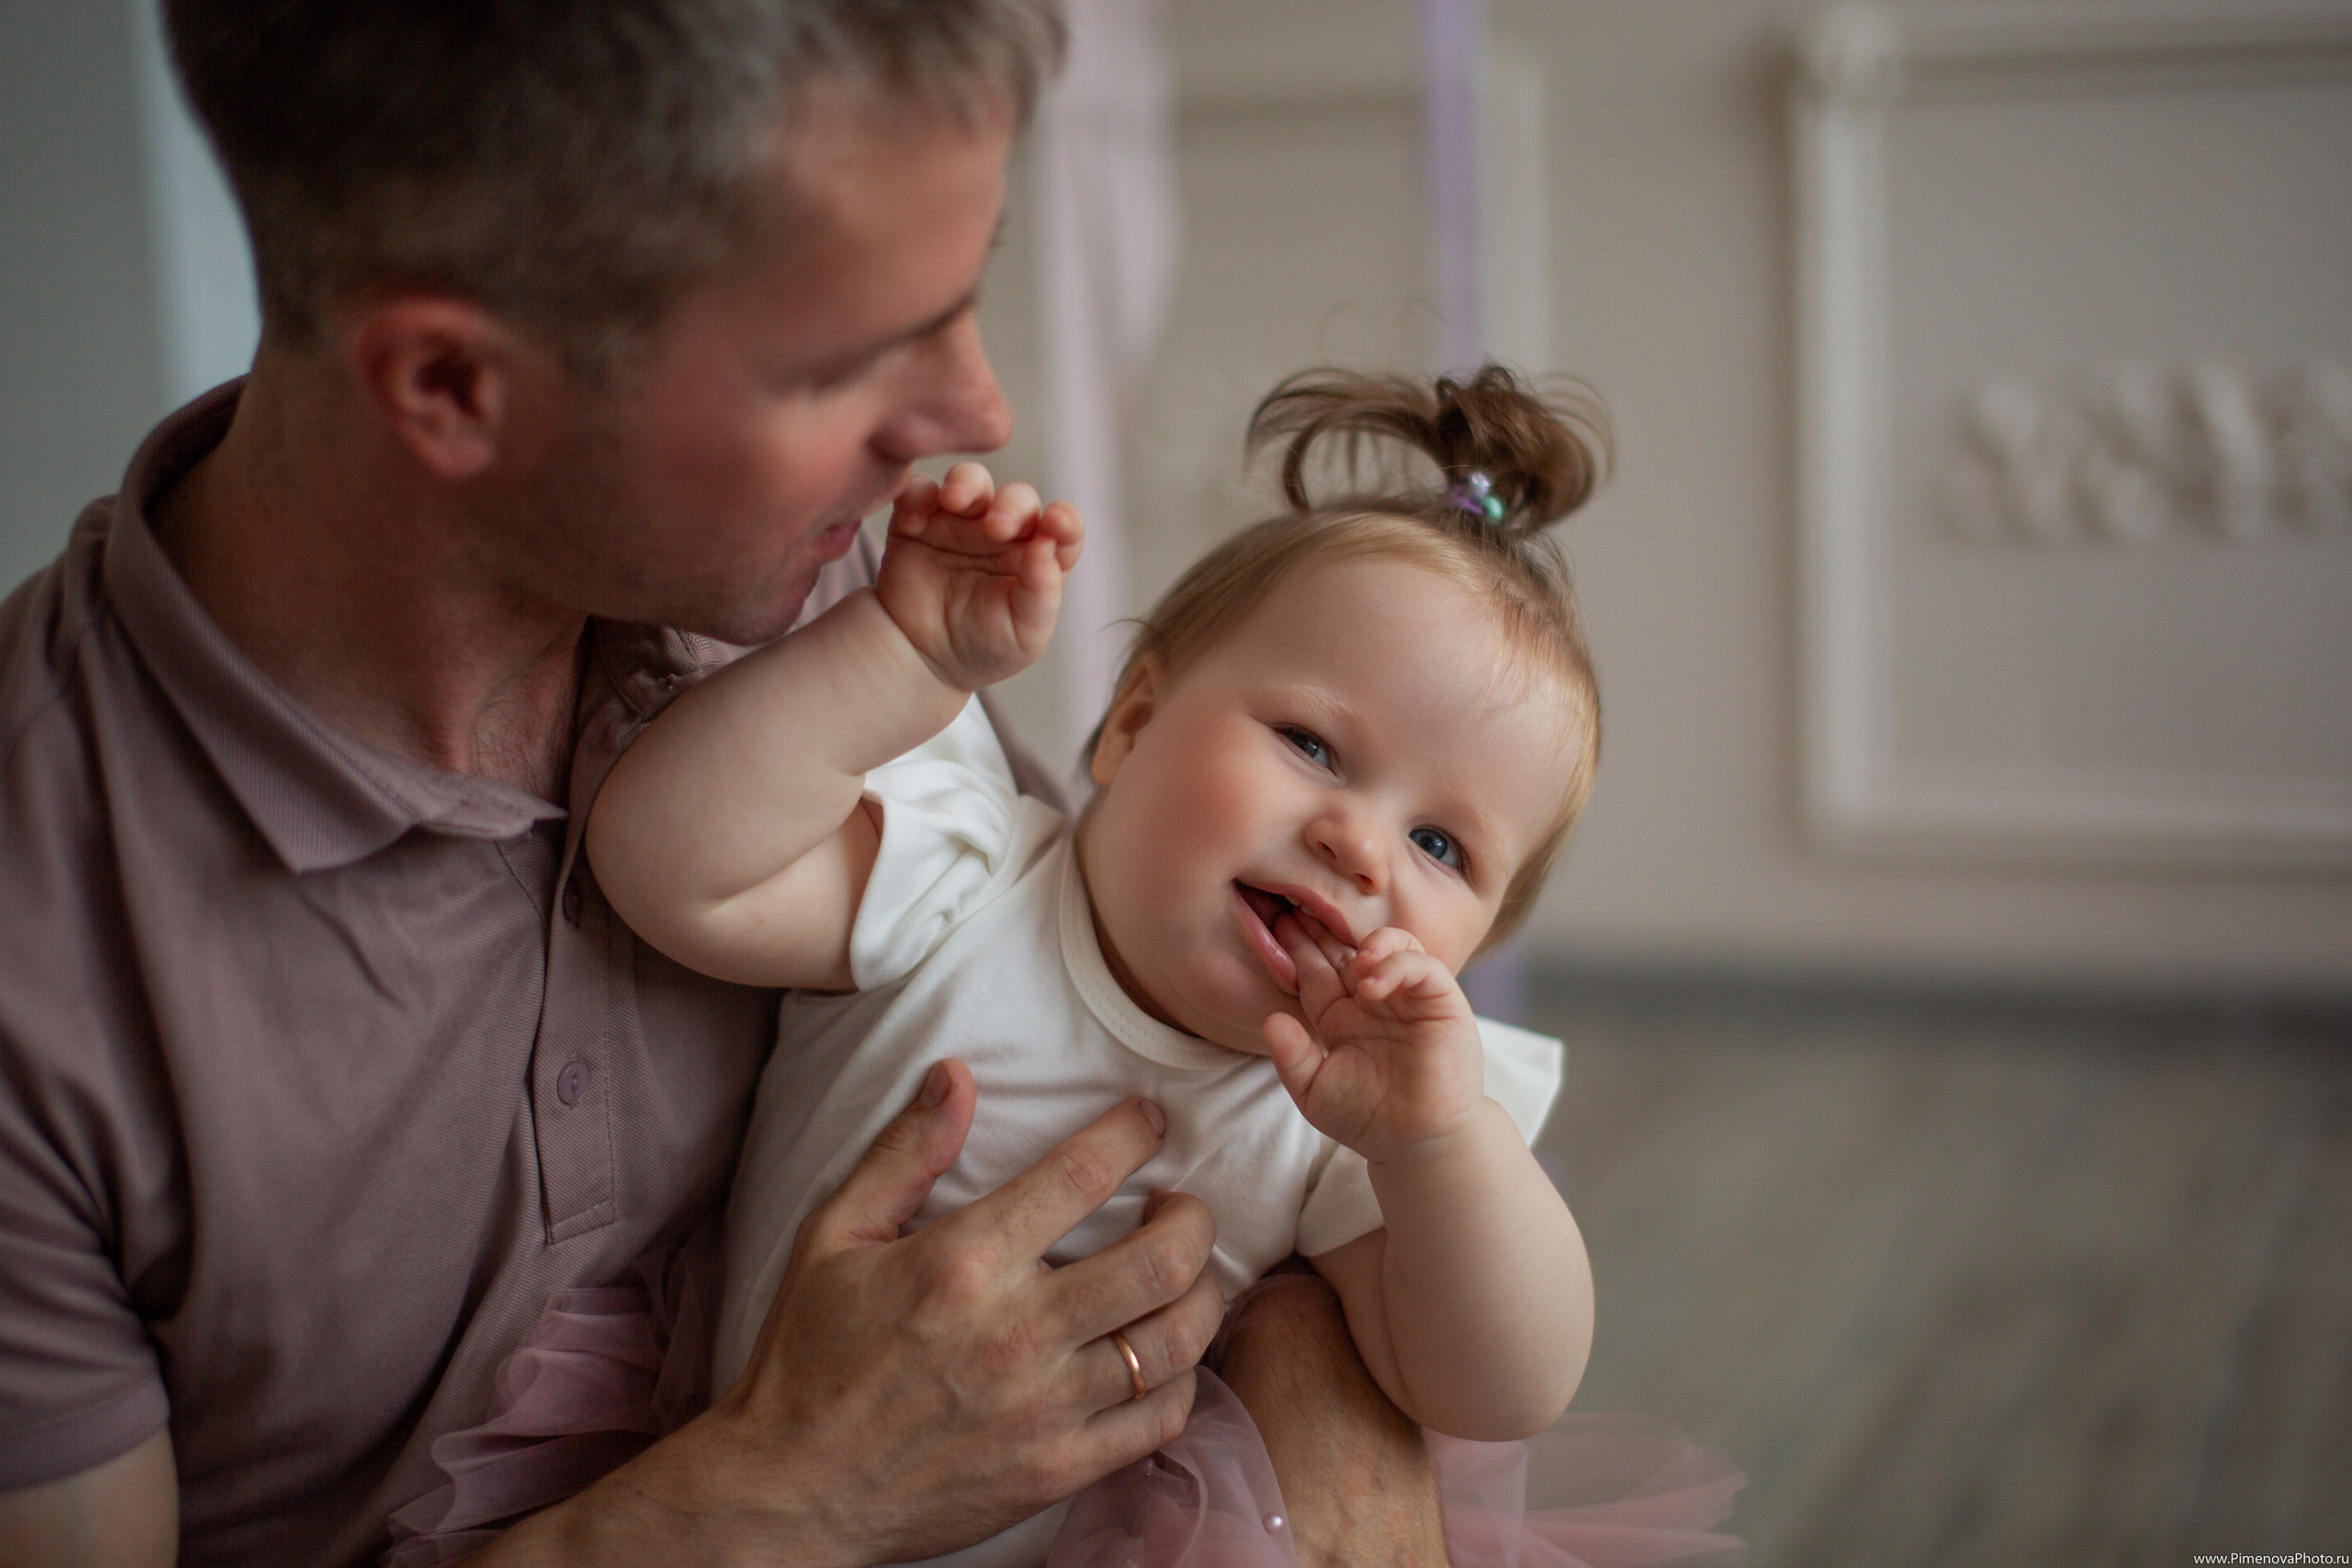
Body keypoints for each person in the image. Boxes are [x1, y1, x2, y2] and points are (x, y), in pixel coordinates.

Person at [0, 5, 1466, 1565]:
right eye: (849, 359)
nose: (976, 415)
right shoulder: (46, 965)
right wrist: (785, 1493)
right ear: (451, 386)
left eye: (961, 297)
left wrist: (1313, 1371)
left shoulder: (816, 600)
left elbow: (1174, 1064)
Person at [396, 367, 1745, 1567]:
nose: (1359, 844)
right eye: (1313, 746)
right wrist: (901, 656)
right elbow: (668, 862)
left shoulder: (1353, 1119)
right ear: (1134, 722)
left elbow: (1498, 1389)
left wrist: (1443, 1143)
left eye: (1441, 846)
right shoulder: (969, 879)